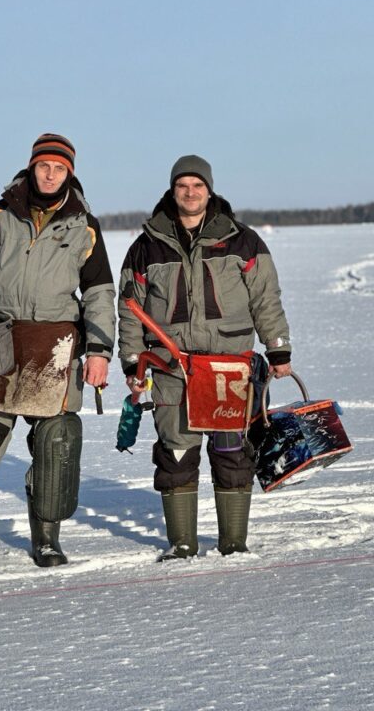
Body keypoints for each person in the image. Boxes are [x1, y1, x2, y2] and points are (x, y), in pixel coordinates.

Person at [0, 133, 115, 568]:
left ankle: (46, 538)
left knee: (55, 442)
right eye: (43, 166)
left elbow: (99, 293)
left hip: (55, 346)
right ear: (31, 167)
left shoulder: (84, 225)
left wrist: (100, 349)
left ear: (70, 172)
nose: (50, 175)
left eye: (59, 168)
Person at [117, 155, 292, 560]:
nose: (190, 193)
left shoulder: (243, 241)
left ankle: (233, 542)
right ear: (172, 190)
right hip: (170, 367)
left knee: (232, 450)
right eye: (183, 186)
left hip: (227, 366)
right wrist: (132, 360)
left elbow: (266, 298)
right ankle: (182, 543)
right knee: (176, 451)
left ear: (209, 190)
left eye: (197, 185)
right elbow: (129, 307)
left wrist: (278, 346)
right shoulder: (146, 246)